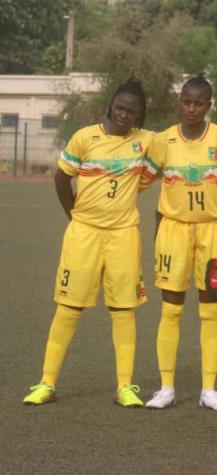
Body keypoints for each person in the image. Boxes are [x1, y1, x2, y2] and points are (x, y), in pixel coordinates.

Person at [23, 78, 154, 407]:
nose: (123, 115)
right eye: (119, 108)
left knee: (123, 310)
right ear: (110, 106)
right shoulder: (85, 137)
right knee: (68, 307)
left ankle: (125, 387)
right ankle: (46, 383)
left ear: (139, 115)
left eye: (131, 111)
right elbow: (61, 178)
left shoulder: (147, 141)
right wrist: (74, 216)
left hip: (123, 236)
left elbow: (183, 140)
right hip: (84, 234)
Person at [143, 76, 217, 412]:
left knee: (210, 311)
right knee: (170, 309)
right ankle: (166, 387)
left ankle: (208, 390)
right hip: (173, 230)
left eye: (199, 103)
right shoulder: (163, 140)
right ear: (180, 102)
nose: (192, 108)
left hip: (212, 231)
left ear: (209, 105)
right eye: (186, 102)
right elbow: (140, 180)